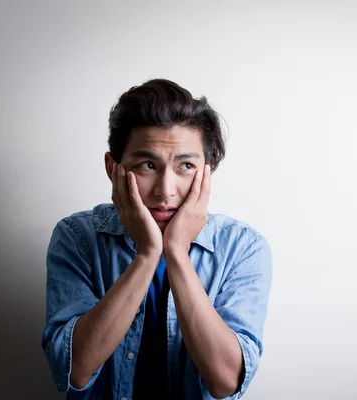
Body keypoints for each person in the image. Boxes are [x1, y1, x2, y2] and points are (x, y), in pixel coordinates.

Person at [41, 79, 272, 399]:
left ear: (207, 171)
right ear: (114, 168)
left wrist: (176, 253)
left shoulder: (242, 248)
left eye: (186, 166)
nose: (165, 190)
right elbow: (74, 370)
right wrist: (147, 255)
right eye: (148, 165)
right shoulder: (78, 238)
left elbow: (225, 382)